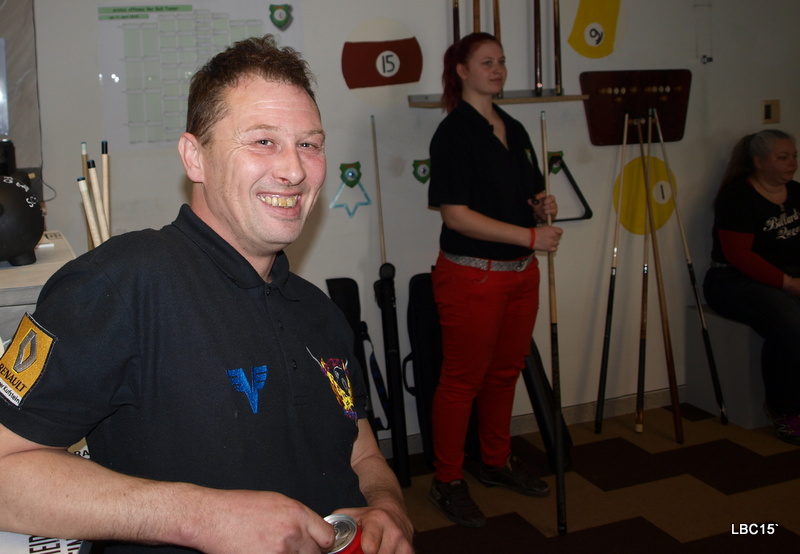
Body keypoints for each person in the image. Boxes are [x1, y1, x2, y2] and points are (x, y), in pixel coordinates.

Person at [0, 35, 414, 553]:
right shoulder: (120, 284)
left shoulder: (320, 313)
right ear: (195, 157)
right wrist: (201, 518)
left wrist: (387, 507)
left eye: (309, 144)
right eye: (262, 141)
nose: (294, 169)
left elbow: (362, 452)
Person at [426, 32, 563, 528]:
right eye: (487, 62)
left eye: (501, 61)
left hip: (521, 275)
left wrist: (540, 207)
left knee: (505, 374)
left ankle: (495, 460)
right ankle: (447, 480)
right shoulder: (453, 134)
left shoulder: (515, 128)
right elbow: (457, 215)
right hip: (473, 276)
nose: (498, 68)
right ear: (462, 71)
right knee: (462, 382)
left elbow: (524, 195)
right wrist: (530, 236)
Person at [703, 129, 800, 446]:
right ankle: (785, 410)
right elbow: (739, 255)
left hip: (786, 274)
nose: (792, 163)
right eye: (783, 157)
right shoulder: (737, 197)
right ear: (758, 161)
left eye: (794, 156)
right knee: (791, 325)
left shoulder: (796, 193)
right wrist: (790, 284)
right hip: (733, 280)